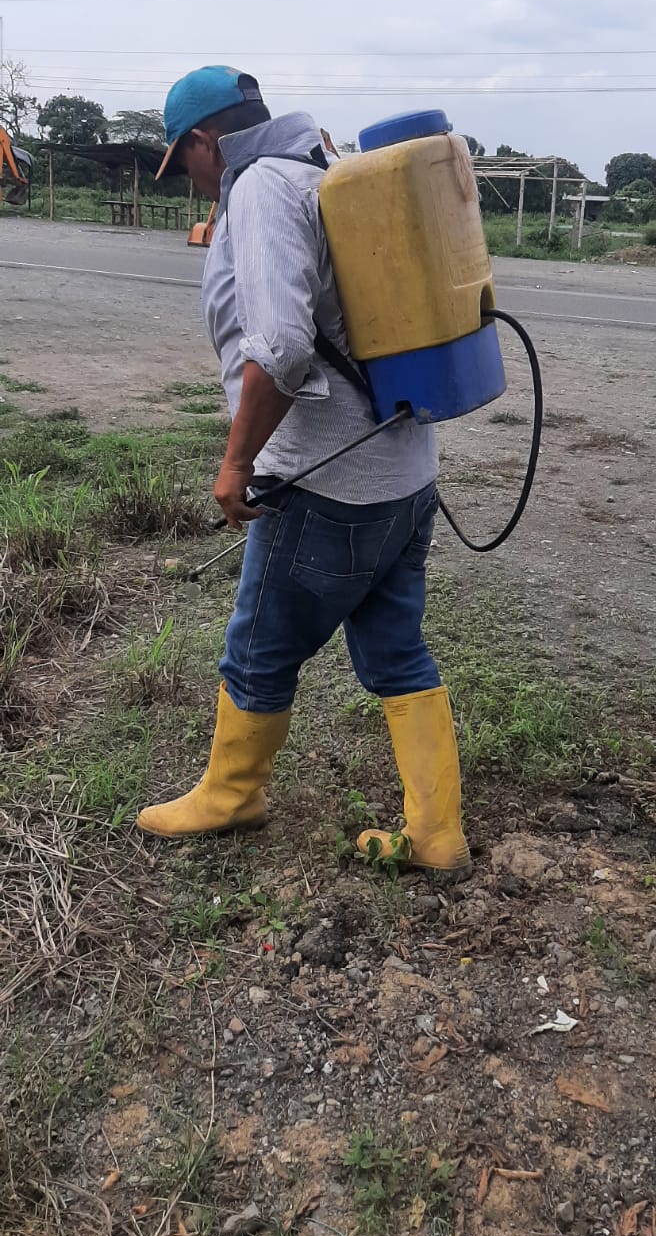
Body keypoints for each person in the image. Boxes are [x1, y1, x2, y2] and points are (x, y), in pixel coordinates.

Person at [136, 65, 471, 878]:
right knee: (397, 650)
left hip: (324, 483)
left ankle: (232, 795)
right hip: (404, 475)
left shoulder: (260, 188)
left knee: (258, 648)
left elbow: (283, 347)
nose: (189, 179)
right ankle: (438, 835)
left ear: (206, 141)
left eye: (183, 162)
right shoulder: (326, 167)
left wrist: (237, 460)